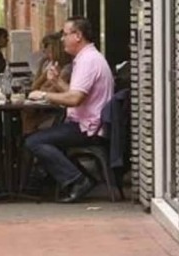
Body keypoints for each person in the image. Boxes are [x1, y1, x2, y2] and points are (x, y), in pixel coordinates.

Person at [26, 16, 114, 203]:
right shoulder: (87, 58)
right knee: (40, 137)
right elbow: (76, 93)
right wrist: (56, 82)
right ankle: (81, 178)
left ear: (78, 36)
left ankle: (77, 180)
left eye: (65, 35)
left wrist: (43, 95)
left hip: (88, 127)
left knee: (34, 141)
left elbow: (74, 99)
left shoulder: (88, 61)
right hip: (86, 123)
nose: (62, 40)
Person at [22, 32, 73, 134]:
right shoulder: (50, 65)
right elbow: (35, 86)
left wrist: (44, 86)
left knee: (29, 120)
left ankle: (27, 145)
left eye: (49, 51)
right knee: (26, 114)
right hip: (47, 108)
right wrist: (42, 67)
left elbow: (48, 90)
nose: (45, 54)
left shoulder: (67, 68)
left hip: (58, 111)